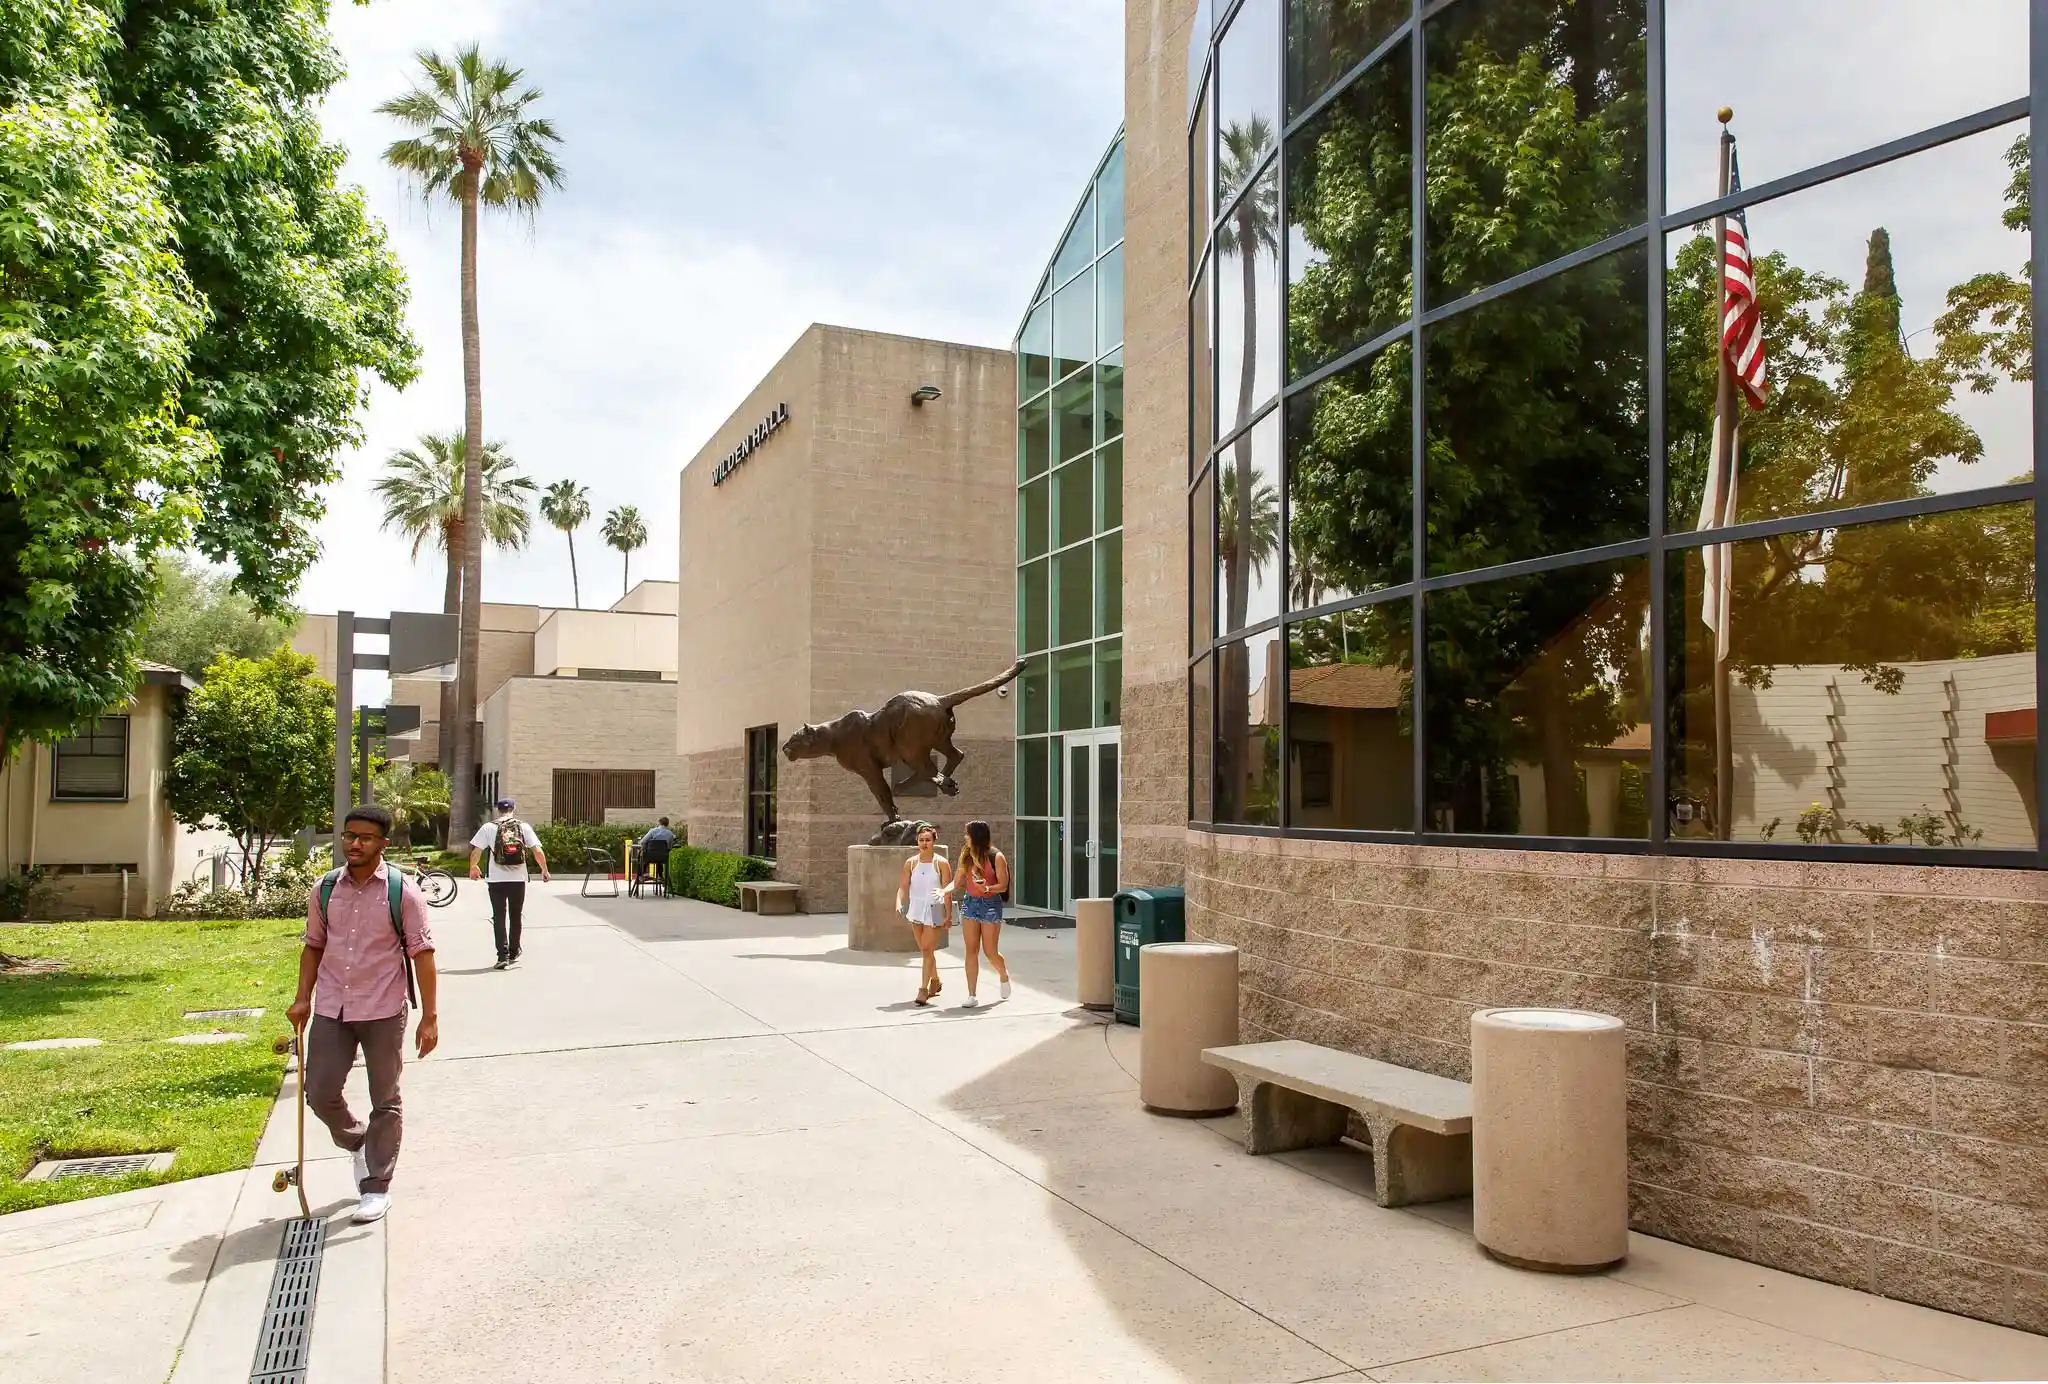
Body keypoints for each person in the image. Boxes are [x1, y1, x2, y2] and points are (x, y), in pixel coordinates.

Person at [286, 804, 438, 1225]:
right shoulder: (325, 889)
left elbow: (422, 953)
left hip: (383, 1007)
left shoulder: (402, 891)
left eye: (365, 838)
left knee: (385, 1099)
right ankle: (358, 1142)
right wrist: (303, 998)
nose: (354, 844)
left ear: (383, 844)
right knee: (318, 1091)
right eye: (349, 836)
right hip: (334, 1005)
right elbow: (313, 945)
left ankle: (376, 1186)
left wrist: (430, 1016)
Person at [468, 798, 549, 970]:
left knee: (499, 916)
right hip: (518, 880)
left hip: (496, 880)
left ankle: (502, 956)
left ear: (498, 810)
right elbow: (537, 850)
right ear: (513, 809)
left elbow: (476, 851)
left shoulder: (489, 828)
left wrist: (473, 867)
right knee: (515, 915)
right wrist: (544, 870)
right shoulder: (523, 827)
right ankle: (514, 951)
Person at [938, 819, 1010, 1008]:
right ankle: (972, 995)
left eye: (968, 834)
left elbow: (1003, 885)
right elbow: (957, 880)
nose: (965, 837)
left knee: (990, 952)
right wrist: (945, 890)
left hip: (990, 904)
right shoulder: (966, 855)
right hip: (970, 904)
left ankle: (1003, 975)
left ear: (976, 836)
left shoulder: (997, 856)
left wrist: (986, 887)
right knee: (971, 950)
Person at [895, 821, 951, 1007]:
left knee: (927, 949)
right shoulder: (911, 863)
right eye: (921, 840)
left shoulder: (941, 863)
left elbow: (947, 890)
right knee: (925, 950)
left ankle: (923, 990)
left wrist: (948, 915)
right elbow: (903, 887)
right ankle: (935, 980)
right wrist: (898, 903)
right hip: (916, 909)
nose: (924, 843)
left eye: (927, 840)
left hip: (935, 909)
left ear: (934, 841)